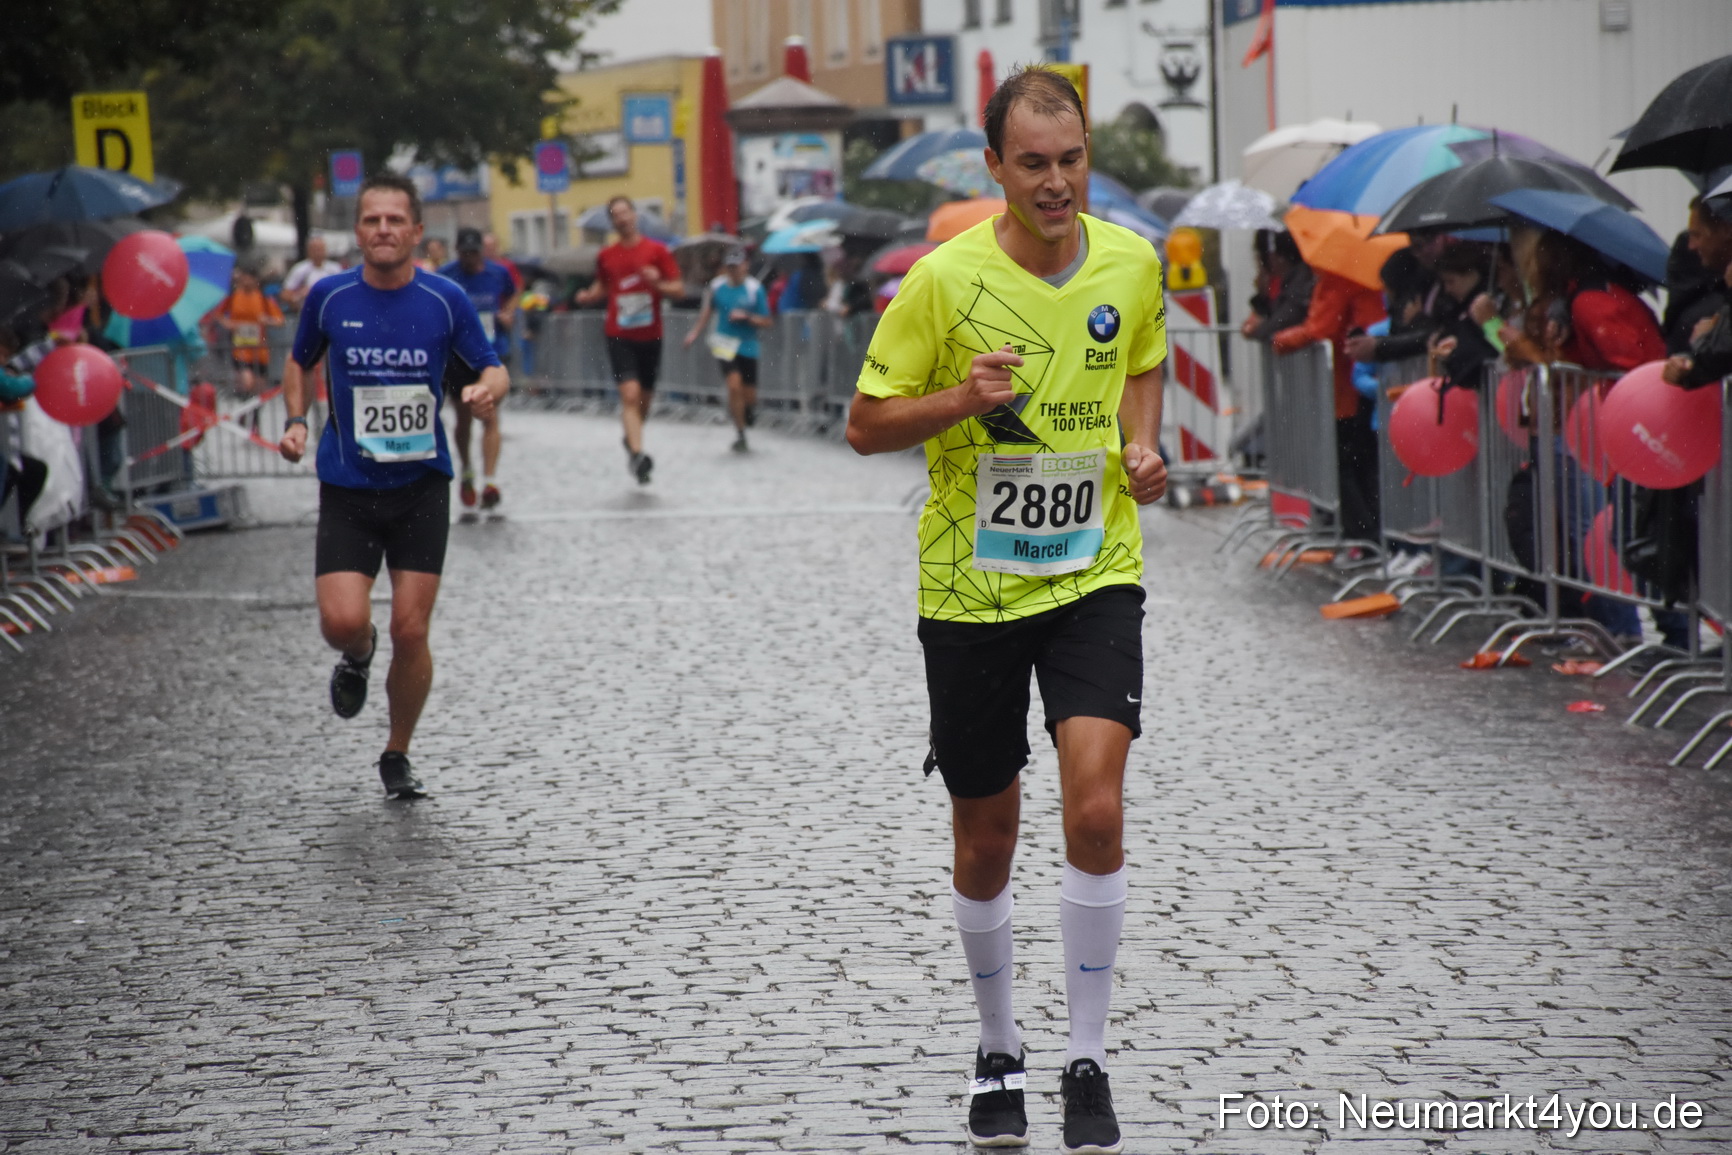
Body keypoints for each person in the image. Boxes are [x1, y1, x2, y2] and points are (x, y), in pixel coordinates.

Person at [845, 65, 1168, 1155]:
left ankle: (1087, 1058)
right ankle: (997, 1049)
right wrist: (958, 401)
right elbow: (864, 422)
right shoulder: (941, 283)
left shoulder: (1131, 258)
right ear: (994, 167)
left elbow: (1143, 363)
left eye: (1070, 160)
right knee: (986, 837)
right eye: (1031, 163)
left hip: (1092, 574)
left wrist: (1144, 441)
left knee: (1095, 810)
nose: (1055, 182)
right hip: (970, 588)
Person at [276, 172, 507, 799]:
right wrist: (297, 422)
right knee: (340, 621)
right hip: (349, 487)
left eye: (394, 220)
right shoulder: (328, 297)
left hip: (421, 487)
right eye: (372, 220)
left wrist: (488, 391)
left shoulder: (444, 299)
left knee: (413, 629)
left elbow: (492, 364)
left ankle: (396, 752)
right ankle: (358, 652)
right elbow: (300, 360)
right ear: (357, 232)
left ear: (416, 231)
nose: (383, 230)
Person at [1272, 266, 1387, 544]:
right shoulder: (1363, 277)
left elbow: (1322, 327)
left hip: (1346, 386)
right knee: (1362, 461)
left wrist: (1282, 340)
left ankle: (1363, 533)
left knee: (1346, 463)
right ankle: (1369, 531)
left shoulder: (1338, 278)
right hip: (1357, 379)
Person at [576, 196, 684, 484]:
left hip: (650, 335)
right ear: (612, 223)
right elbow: (602, 284)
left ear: (635, 216)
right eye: (617, 216)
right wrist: (589, 295)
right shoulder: (607, 255)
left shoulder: (657, 251)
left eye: (626, 213)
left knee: (644, 400)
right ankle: (638, 455)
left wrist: (657, 282)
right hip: (619, 333)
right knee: (630, 395)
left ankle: (631, 438)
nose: (623, 219)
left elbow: (678, 289)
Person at [439, 227, 517, 512]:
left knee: (491, 416)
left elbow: (513, 292)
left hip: (491, 354)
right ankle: (468, 468)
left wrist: (508, 312)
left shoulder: (498, 273)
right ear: (457, 251)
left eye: (474, 252)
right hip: (458, 357)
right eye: (465, 252)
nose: (470, 258)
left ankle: (491, 481)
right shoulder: (447, 276)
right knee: (464, 418)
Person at [684, 248, 772, 452]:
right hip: (724, 342)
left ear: (745, 266)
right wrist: (694, 333)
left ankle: (747, 410)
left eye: (737, 266)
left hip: (748, 344)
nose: (733, 271)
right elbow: (707, 312)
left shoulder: (754, 289)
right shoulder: (716, 287)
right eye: (730, 267)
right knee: (733, 385)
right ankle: (740, 432)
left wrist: (747, 318)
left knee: (749, 395)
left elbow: (767, 321)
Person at [212, 266, 285, 431]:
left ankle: (255, 423)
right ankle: (245, 411)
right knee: (247, 383)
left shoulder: (264, 300)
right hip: (240, 350)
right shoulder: (233, 298)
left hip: (260, 352)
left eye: (248, 278)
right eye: (243, 278)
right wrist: (229, 324)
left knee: (259, 390)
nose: (245, 281)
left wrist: (267, 321)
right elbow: (218, 314)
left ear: (255, 280)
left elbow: (280, 320)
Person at [281, 236, 344, 310]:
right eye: (315, 249)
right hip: (307, 310)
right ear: (309, 251)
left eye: (320, 249)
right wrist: (299, 295)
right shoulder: (300, 269)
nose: (318, 253)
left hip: (330, 310)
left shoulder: (335, 269)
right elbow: (284, 294)